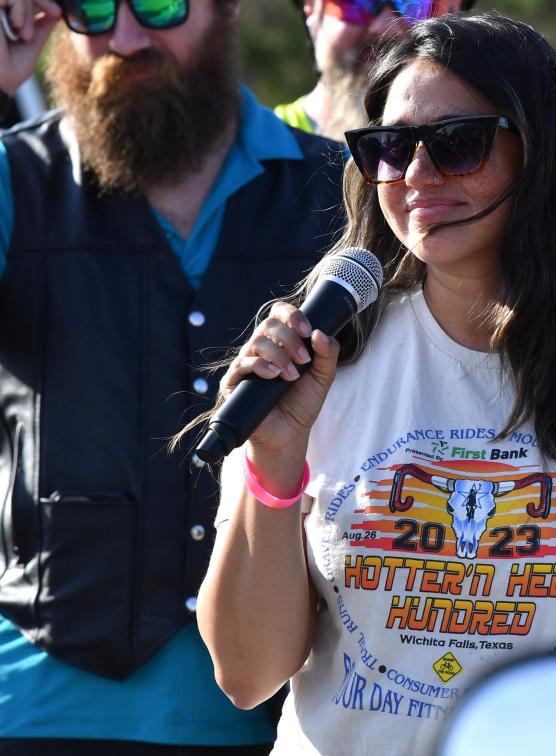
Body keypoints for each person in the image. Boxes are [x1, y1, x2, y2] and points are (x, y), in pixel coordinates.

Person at [198, 13, 556, 755]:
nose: (415, 176)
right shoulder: (318, 370)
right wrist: (274, 463)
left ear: (541, 154)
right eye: (389, 147)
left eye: (457, 144)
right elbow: (247, 675)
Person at [0, 0, 344, 752]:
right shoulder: (13, 180)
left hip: (280, 719)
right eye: (91, 10)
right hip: (34, 713)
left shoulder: (339, 193)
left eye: (158, 4)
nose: (124, 38)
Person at [275, 0, 473, 139]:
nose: (385, 26)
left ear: (456, 10)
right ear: (310, 9)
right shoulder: (256, 147)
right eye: (356, 2)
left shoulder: (494, 143)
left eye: (414, 3)